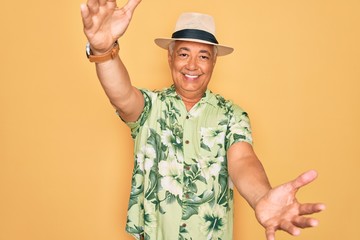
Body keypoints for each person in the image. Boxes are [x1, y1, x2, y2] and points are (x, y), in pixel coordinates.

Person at [80, 0, 325, 239]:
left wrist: (262, 197)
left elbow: (242, 160)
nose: (192, 66)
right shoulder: (150, 107)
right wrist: (103, 49)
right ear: (170, 57)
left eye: (204, 57)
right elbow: (121, 95)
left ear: (214, 62)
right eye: (184, 54)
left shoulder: (232, 115)